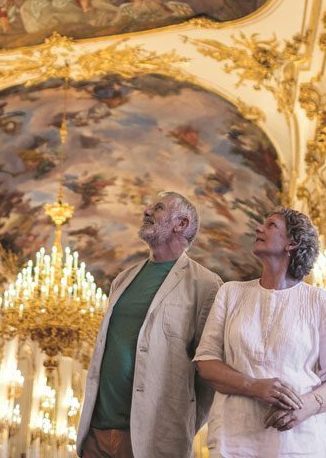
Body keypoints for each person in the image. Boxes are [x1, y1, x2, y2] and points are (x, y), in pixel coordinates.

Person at [194, 208, 326, 457]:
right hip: (234, 438)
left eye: (271, 225)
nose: (259, 228)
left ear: (292, 242)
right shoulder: (230, 293)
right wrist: (253, 386)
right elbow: (206, 362)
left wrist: (305, 407)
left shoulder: (319, 301)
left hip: (300, 439)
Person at [78, 192, 222, 458]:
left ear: (181, 224)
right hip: (97, 432)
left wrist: (181, 426)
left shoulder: (207, 285)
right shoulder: (123, 279)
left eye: (158, 207)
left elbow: (208, 372)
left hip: (154, 436)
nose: (146, 210)